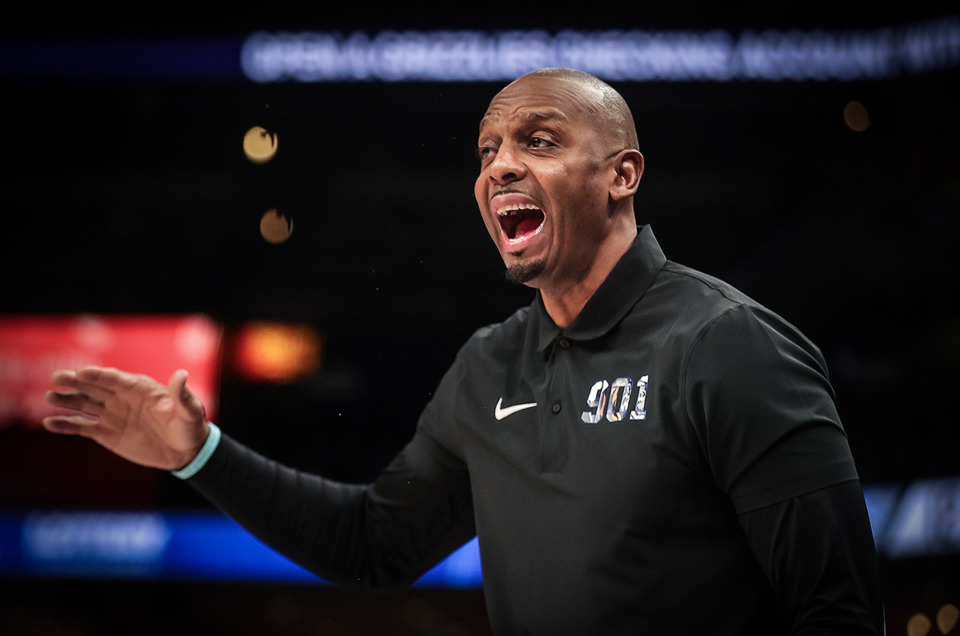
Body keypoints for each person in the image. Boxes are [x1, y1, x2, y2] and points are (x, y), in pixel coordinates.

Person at [43, 68, 885, 634]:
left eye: (539, 142)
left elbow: (839, 612)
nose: (500, 168)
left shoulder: (730, 345)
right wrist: (200, 455)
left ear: (622, 174)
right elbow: (375, 546)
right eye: (488, 151)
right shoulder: (487, 365)